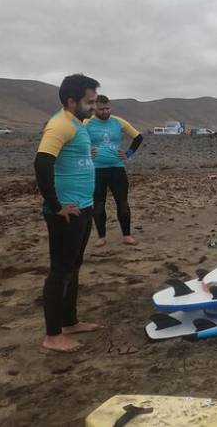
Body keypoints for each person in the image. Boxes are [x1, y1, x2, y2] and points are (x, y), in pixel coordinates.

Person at [34, 74, 102, 352]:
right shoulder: (60, 124)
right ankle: (52, 336)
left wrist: (87, 156)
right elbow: (42, 163)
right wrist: (55, 205)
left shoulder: (79, 123)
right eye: (90, 101)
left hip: (82, 208)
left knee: (73, 267)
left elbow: (70, 157)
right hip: (65, 212)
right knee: (60, 271)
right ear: (72, 101)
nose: (94, 106)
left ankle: (69, 321)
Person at [85, 95, 143, 246]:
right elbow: (73, 139)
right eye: (101, 109)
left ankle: (127, 235)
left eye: (107, 108)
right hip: (96, 170)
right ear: (94, 108)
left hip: (117, 168)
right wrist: (85, 151)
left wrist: (128, 154)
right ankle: (101, 237)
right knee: (98, 204)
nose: (105, 111)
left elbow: (138, 137)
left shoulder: (118, 122)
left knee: (122, 202)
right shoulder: (86, 123)